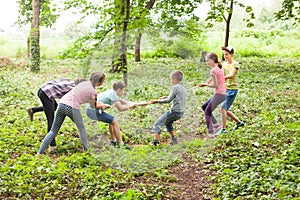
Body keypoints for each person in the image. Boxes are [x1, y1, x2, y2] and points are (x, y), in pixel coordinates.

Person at [37, 71, 107, 155]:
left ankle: (39, 153)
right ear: (99, 82)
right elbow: (93, 105)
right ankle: (86, 151)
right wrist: (102, 105)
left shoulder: (82, 83)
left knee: (53, 130)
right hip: (72, 108)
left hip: (62, 104)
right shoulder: (93, 92)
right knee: (82, 129)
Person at [86, 81, 147, 149]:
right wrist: (131, 106)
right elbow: (120, 108)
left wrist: (137, 103)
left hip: (91, 110)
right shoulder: (113, 94)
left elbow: (123, 102)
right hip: (93, 111)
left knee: (111, 121)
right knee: (114, 121)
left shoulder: (112, 92)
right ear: (119, 90)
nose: (123, 92)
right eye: (123, 90)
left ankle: (113, 141)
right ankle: (120, 143)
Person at [27, 78, 85, 150]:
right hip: (46, 94)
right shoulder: (73, 90)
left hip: (43, 89)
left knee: (55, 107)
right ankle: (52, 145)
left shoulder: (71, 83)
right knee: (51, 120)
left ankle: (33, 110)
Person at [150, 70, 186, 146]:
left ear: (174, 79)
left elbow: (168, 101)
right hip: (181, 112)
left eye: (171, 79)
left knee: (158, 123)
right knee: (168, 123)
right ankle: (174, 140)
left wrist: (157, 101)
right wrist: (166, 97)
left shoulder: (175, 87)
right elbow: (175, 97)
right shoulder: (182, 87)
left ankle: (155, 143)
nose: (171, 81)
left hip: (174, 112)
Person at [218, 46, 245, 134]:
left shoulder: (235, 64)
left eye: (227, 54)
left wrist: (222, 78)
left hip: (232, 89)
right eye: (224, 54)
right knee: (225, 109)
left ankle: (224, 129)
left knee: (223, 109)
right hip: (226, 88)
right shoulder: (224, 64)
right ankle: (239, 122)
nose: (225, 56)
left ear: (231, 55)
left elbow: (231, 75)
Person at [199, 52, 226, 136]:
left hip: (219, 94)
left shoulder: (213, 70)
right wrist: (210, 80)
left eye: (208, 61)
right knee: (204, 106)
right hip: (223, 93)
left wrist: (205, 85)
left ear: (213, 60)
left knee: (207, 112)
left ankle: (211, 132)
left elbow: (215, 85)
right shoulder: (219, 67)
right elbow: (218, 77)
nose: (207, 63)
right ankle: (216, 125)